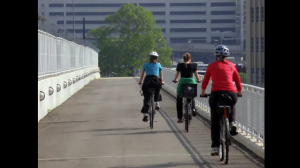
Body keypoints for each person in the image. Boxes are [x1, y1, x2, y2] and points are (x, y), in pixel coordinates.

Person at [200, 45, 242, 156]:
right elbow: (237, 80)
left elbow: (206, 81)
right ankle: (232, 122)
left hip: (216, 94)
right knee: (232, 103)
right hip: (231, 93)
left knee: (214, 121)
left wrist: (203, 93)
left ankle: (215, 147)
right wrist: (239, 92)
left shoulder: (211, 66)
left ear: (216, 56)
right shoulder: (232, 65)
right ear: (227, 56)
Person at [173, 53, 201, 123]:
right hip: (191, 82)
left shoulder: (180, 65)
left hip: (182, 82)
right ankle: (193, 108)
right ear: (190, 59)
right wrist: (198, 80)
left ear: (183, 59)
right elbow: (196, 75)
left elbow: (177, 74)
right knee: (192, 96)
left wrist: (175, 79)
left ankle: (180, 118)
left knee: (179, 99)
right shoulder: (194, 65)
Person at [139, 51, 164, 122]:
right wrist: (162, 81)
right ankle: (157, 103)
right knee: (158, 90)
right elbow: (161, 74)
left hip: (147, 81)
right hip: (155, 81)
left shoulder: (145, 65)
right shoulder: (159, 65)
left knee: (146, 98)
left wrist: (140, 81)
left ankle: (146, 113)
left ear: (150, 58)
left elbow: (142, 74)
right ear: (156, 58)